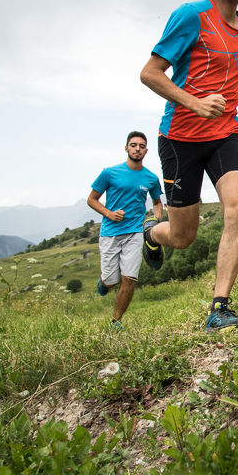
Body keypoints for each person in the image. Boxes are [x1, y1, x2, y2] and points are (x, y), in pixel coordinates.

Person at [140, 0, 238, 332]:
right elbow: (151, 73)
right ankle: (152, 234)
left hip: (224, 133)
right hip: (180, 137)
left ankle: (220, 307)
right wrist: (194, 103)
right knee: (183, 236)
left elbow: (234, 72)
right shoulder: (191, 16)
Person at [87, 131, 163, 331]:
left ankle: (116, 322)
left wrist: (154, 219)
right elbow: (92, 199)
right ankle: (104, 282)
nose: (137, 148)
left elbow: (157, 203)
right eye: (133, 145)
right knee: (112, 280)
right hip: (110, 232)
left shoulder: (151, 178)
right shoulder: (109, 173)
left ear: (146, 150)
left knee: (129, 279)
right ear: (126, 148)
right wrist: (109, 214)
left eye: (141, 146)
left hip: (135, 233)